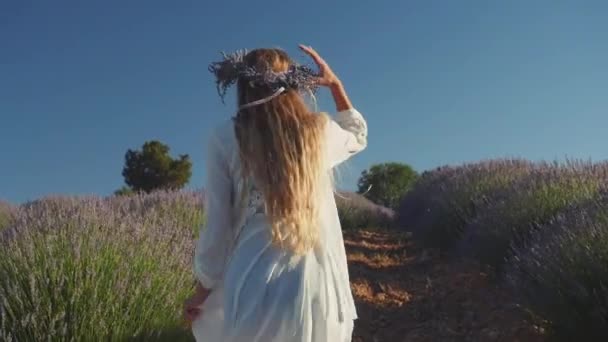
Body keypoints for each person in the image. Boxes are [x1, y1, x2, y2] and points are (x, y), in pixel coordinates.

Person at [183, 44, 368, 342]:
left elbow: (217, 227)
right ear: (294, 83)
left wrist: (202, 291)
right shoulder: (318, 131)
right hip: (314, 288)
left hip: (249, 284)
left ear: (241, 86)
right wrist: (336, 85)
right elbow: (358, 134)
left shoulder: (224, 136)